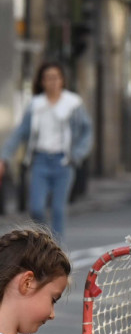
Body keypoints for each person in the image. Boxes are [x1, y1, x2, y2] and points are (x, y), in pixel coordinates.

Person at [0, 62, 93, 240]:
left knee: (58, 210)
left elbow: (86, 131)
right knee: (36, 208)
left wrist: (78, 154)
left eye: (56, 78)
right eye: (48, 78)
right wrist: (4, 157)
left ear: (62, 80)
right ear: (42, 82)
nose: (52, 82)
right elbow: (20, 132)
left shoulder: (72, 103)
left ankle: (57, 254)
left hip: (63, 162)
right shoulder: (36, 105)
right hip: (40, 161)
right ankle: (43, 246)